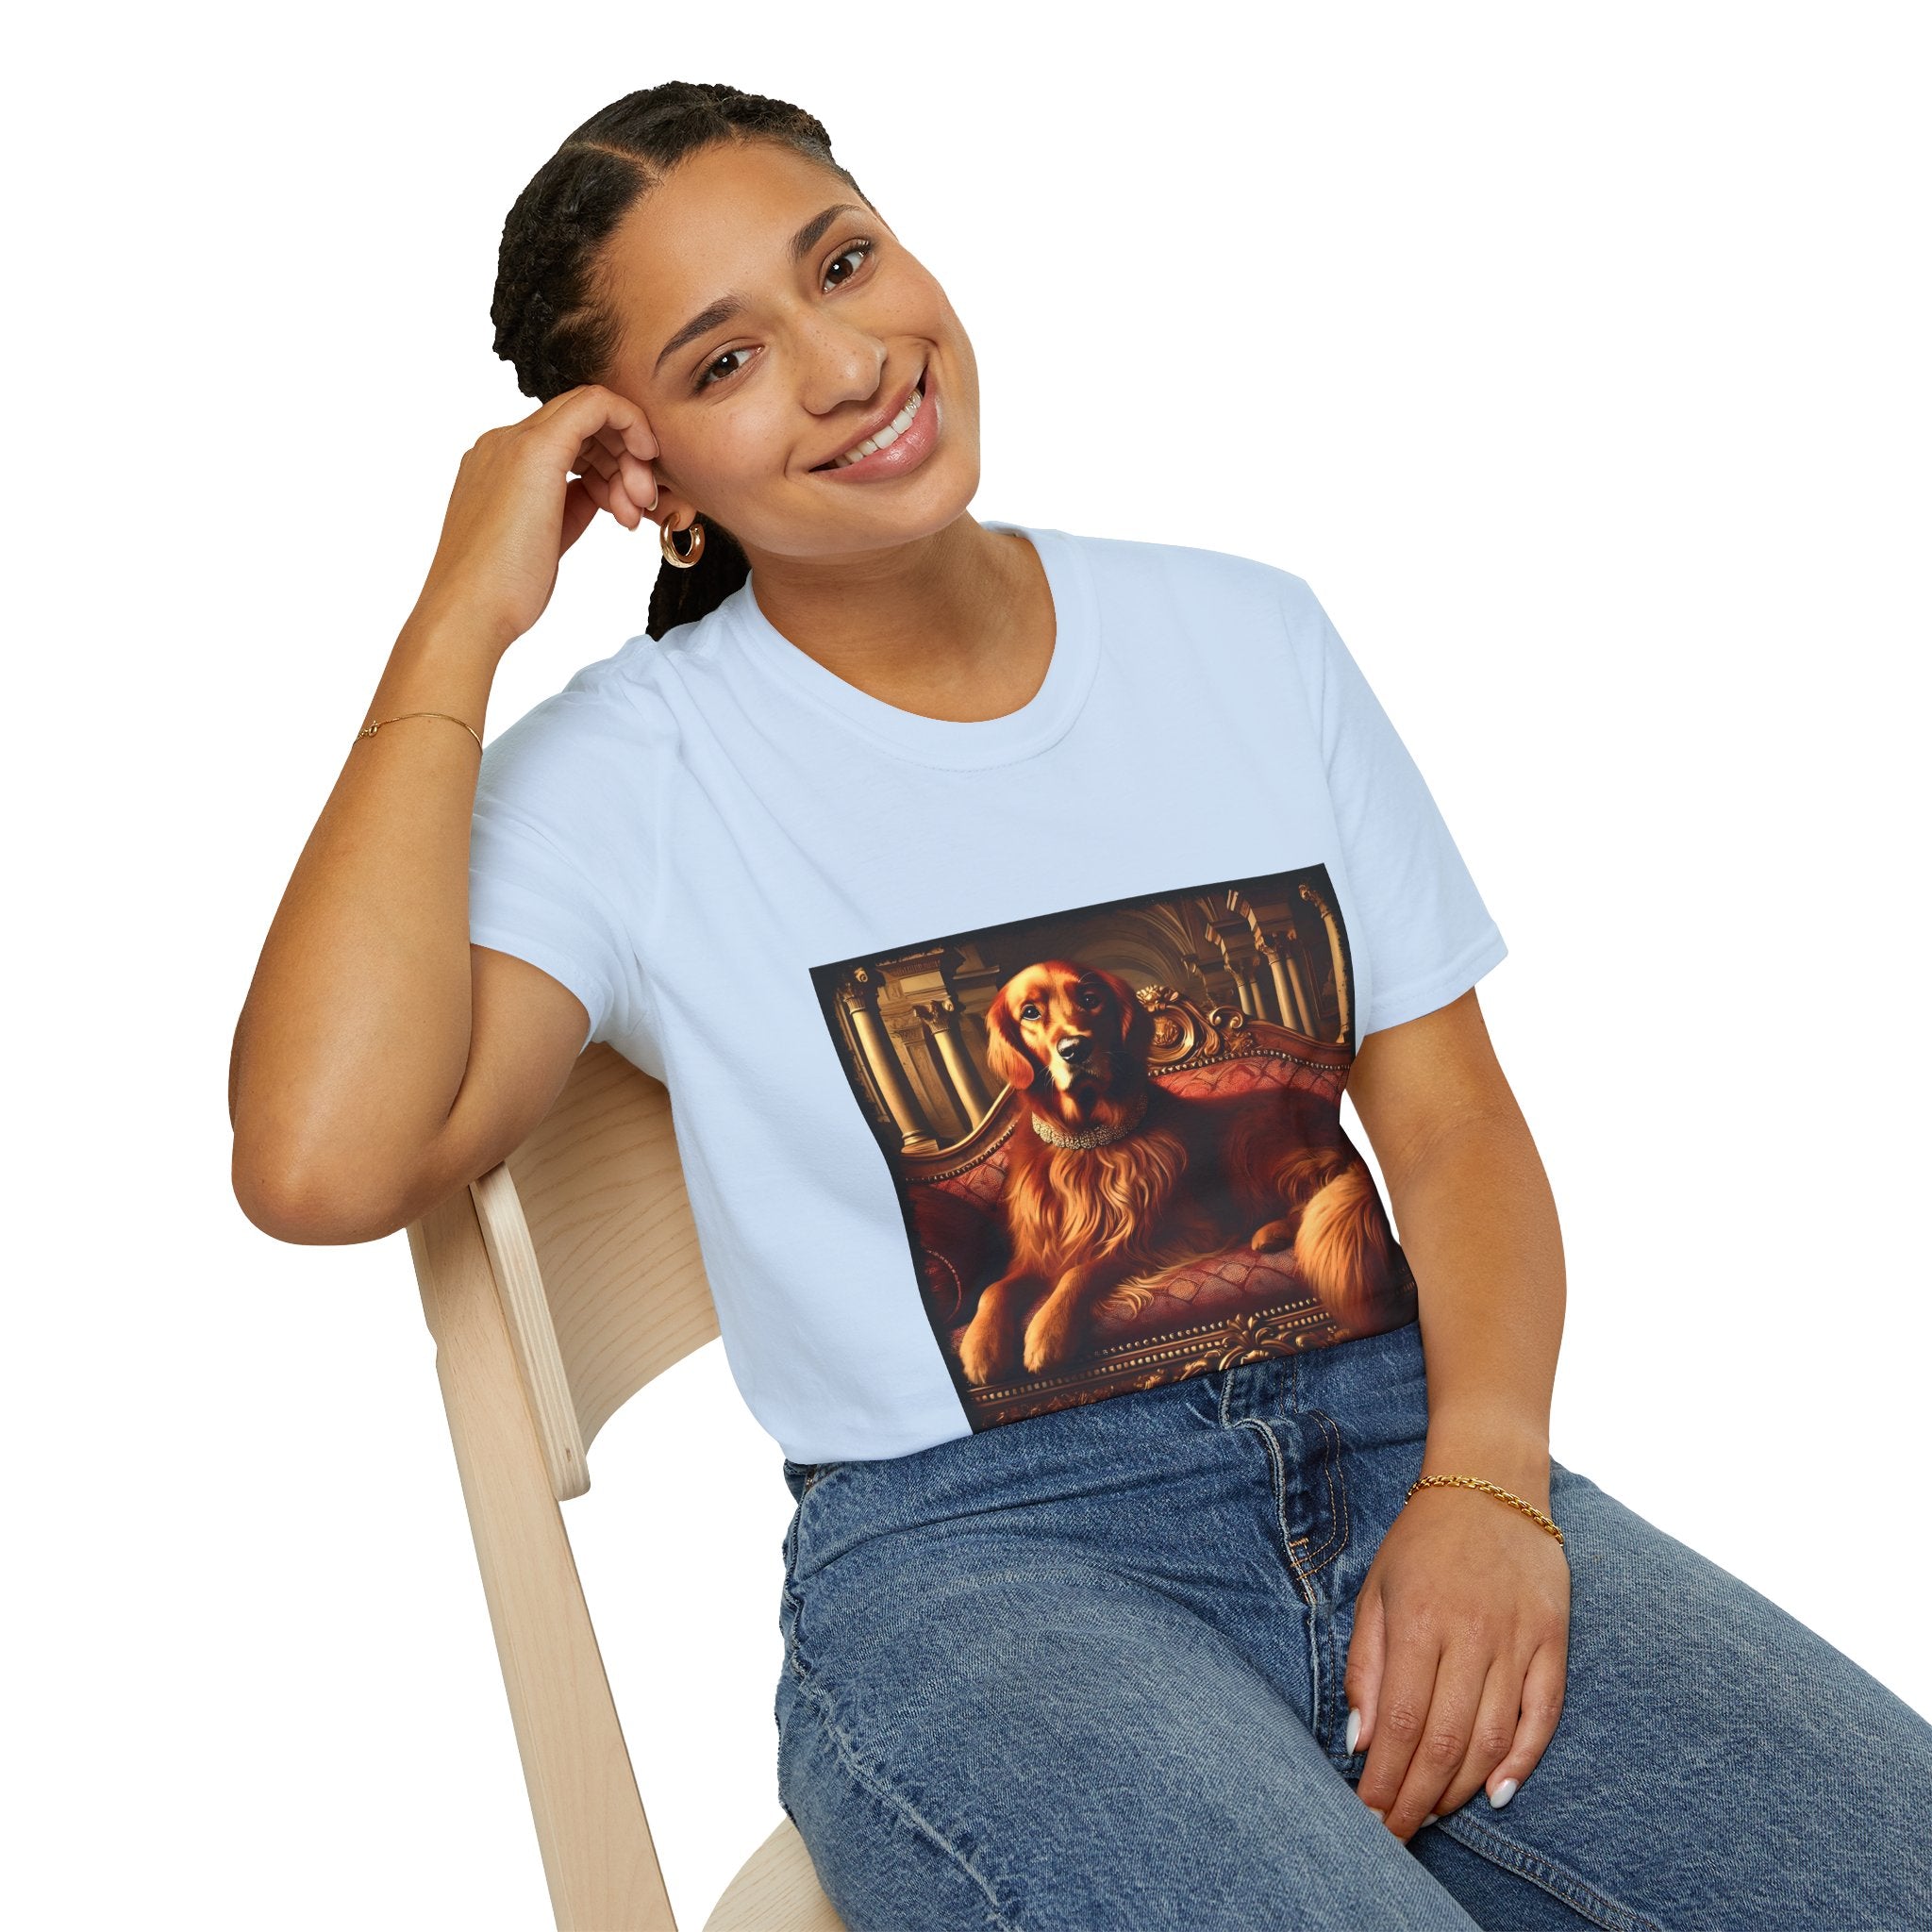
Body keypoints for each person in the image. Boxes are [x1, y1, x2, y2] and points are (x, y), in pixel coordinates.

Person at [228, 80, 1932, 1931]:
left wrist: (1490, 1486)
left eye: (845, 263)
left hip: (1399, 1445)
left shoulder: (1245, 638)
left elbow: (1447, 1129)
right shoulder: (636, 773)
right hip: (986, 1568)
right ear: (648, 480)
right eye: (725, 362)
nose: (845, 362)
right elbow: (320, 1159)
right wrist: (455, 619)